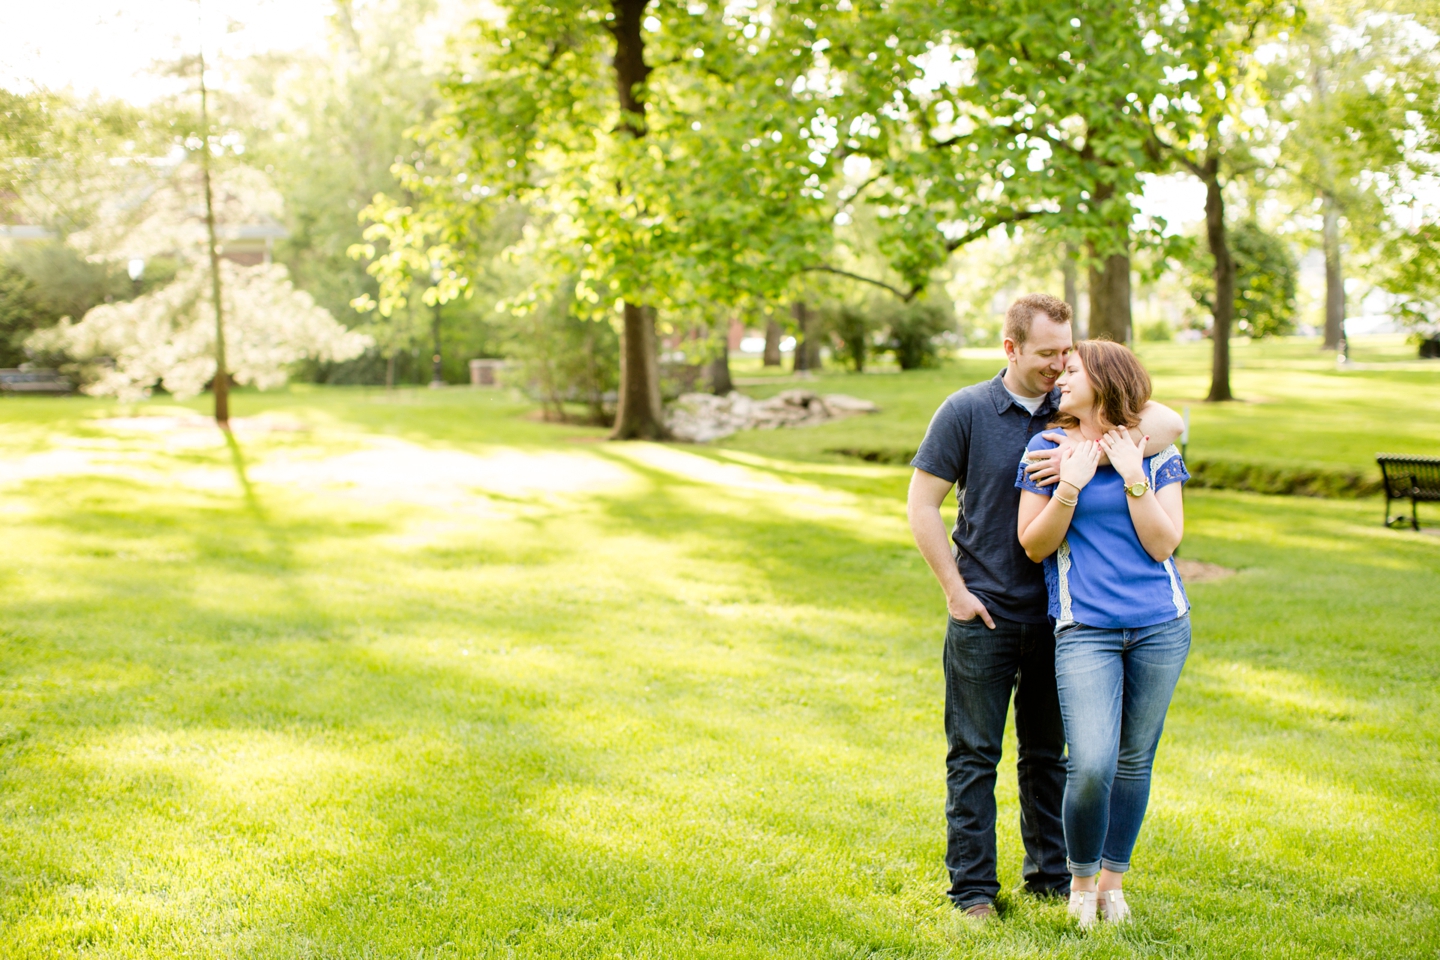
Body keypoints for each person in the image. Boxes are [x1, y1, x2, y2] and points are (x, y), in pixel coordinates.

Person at [907, 295, 1183, 920]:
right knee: (974, 754)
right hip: (986, 610)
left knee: (1051, 758)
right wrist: (955, 591)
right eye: (1048, 355)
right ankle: (973, 891)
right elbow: (921, 505)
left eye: (1068, 353)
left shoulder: (1085, 415)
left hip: (1066, 620)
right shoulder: (968, 410)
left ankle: (1052, 878)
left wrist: (1088, 453)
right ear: (1011, 349)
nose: (1061, 367)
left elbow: (1171, 426)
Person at [1015, 339, 1191, 929]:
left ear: (1106, 378)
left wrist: (1132, 475)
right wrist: (1069, 484)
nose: (1060, 379)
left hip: (1160, 626)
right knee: (1090, 762)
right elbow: (1034, 544)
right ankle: (1080, 881)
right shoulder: (1047, 447)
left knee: (1133, 761)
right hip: (1085, 627)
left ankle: (1112, 886)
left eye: (1071, 371)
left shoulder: (1152, 449)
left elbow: (1164, 544)